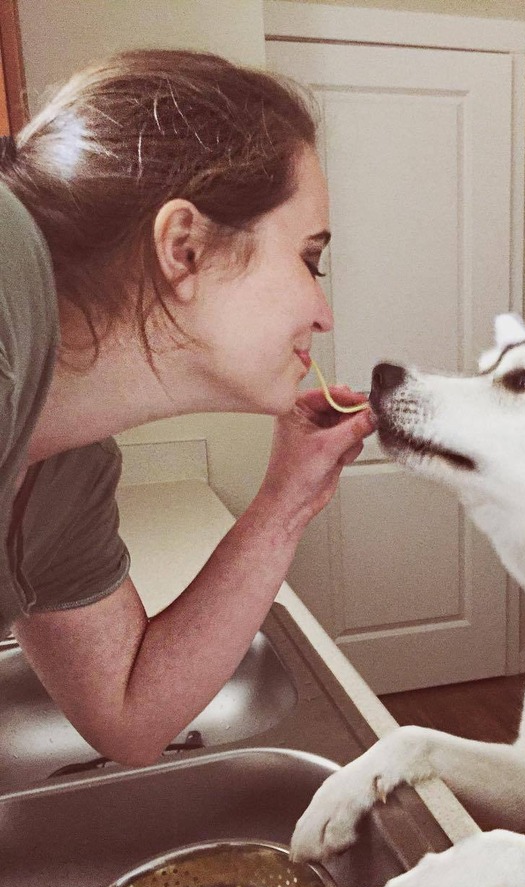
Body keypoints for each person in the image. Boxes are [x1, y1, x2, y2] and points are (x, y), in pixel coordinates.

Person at [0, 49, 375, 766]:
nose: (322, 314)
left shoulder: (61, 465)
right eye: (309, 258)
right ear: (186, 247)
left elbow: (129, 717)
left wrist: (287, 499)